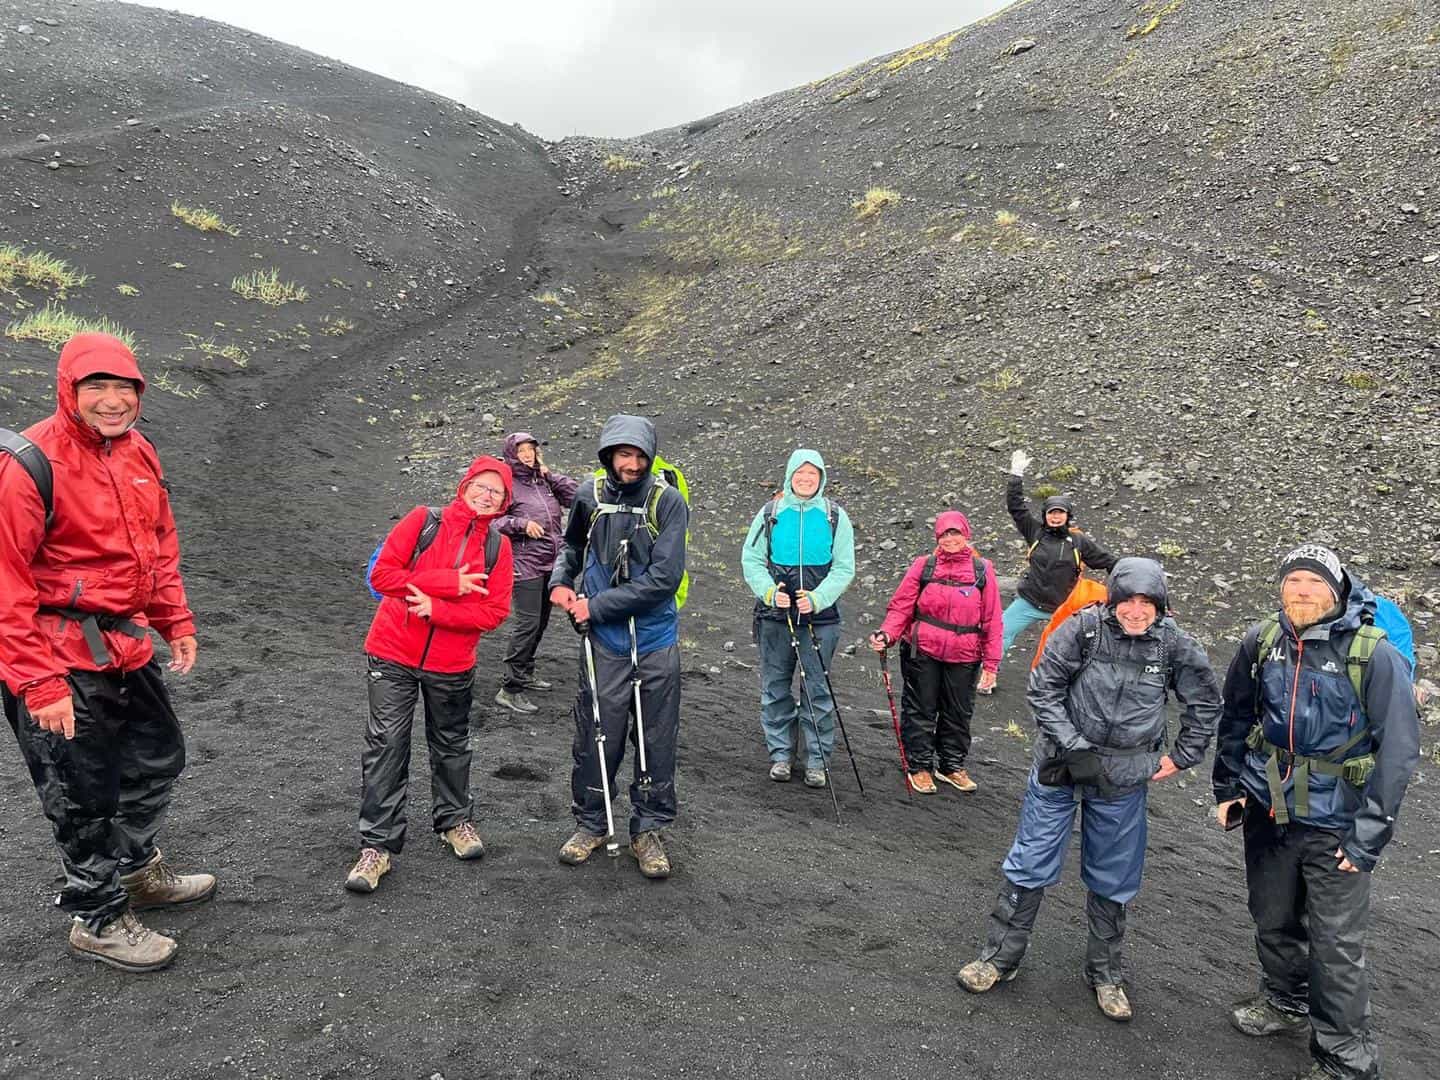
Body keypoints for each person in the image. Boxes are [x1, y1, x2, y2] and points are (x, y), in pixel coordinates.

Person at [0, 332, 212, 973]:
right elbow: (4, 581)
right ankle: (97, 917)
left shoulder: (138, 451)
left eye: (125, 387)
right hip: (54, 651)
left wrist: (173, 619)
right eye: (97, 387)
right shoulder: (28, 465)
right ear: (69, 389)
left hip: (123, 640)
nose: (113, 401)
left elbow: (159, 542)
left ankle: (134, 868)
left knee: (157, 757)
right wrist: (39, 684)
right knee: (79, 790)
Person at [956, 558, 1220, 1022]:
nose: (1136, 612)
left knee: (1114, 874)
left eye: (1147, 603)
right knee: (1030, 861)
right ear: (1113, 599)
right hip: (1060, 766)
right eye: (1128, 601)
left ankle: (1105, 973)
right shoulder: (1084, 629)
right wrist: (1074, 746)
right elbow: (1044, 686)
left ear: (1160, 605)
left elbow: (1205, 702)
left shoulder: (1173, 644)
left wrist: (1182, 756)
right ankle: (999, 957)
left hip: (1124, 777)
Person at [1213, 544, 1419, 1080]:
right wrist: (1228, 788)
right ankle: (1284, 1002)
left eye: (1313, 582)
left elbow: (1398, 749)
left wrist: (1368, 837)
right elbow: (1235, 716)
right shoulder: (1262, 642)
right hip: (1269, 810)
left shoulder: (1373, 653)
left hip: (1340, 825)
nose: (1302, 591)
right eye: (1293, 580)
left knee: (1336, 945)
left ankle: (1346, 1059)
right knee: (1273, 917)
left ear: (1336, 589)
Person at [346, 456, 515, 894]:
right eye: (481, 485)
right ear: (465, 486)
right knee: (386, 745)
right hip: (392, 653)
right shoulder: (424, 520)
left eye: (496, 492)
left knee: (452, 744)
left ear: (504, 502)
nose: (486, 495)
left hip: (452, 663)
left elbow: (495, 612)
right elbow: (382, 575)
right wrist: (447, 584)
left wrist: (438, 609)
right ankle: (377, 847)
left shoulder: (498, 547)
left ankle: (455, 821)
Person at [549, 415, 687, 879]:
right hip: (604, 643)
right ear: (608, 454)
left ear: (650, 456)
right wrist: (559, 584)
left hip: (653, 640)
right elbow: (570, 549)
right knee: (595, 733)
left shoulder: (667, 501)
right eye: (622, 454)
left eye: (639, 455)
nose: (631, 463)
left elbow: (665, 580)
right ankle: (591, 822)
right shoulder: (590, 495)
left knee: (655, 738)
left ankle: (647, 830)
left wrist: (597, 606)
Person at [741, 449, 856, 788]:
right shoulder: (771, 513)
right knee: (775, 686)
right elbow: (752, 559)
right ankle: (780, 754)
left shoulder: (835, 516)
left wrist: (818, 599)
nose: (806, 479)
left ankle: (817, 760)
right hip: (775, 617)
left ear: (821, 478)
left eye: (813, 474)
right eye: (800, 473)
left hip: (821, 620)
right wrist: (767, 592)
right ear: (789, 475)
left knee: (816, 689)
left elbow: (844, 567)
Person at [868, 510, 1001, 794]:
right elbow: (901, 606)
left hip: (965, 654)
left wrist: (991, 664)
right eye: (945, 534)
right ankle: (919, 766)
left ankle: (951, 765)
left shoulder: (982, 570)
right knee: (920, 709)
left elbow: (992, 619)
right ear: (937, 537)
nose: (951, 538)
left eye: (956, 533)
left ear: (967, 535)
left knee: (959, 712)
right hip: (922, 651)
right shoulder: (923, 566)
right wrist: (887, 634)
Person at [999, 449, 1117, 677]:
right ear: (1044, 515)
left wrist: (1131, 582)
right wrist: (1016, 475)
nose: (1055, 517)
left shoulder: (1078, 541)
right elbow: (1016, 508)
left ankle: (1058, 684)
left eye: (1060, 513)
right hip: (1029, 601)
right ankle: (988, 673)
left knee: (1064, 649)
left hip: (1064, 607)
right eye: (1051, 512)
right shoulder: (1034, 531)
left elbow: (1109, 561)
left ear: (1067, 516)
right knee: (1000, 632)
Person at [493, 432, 577, 714]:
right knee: (527, 624)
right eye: (522, 451)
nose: (528, 455)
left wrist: (550, 475)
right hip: (524, 563)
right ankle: (509, 688)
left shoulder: (543, 482)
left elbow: (576, 497)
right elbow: (493, 521)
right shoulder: (507, 485)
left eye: (531, 449)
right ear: (511, 454)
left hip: (551, 562)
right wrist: (520, 523)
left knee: (540, 622)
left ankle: (525, 672)